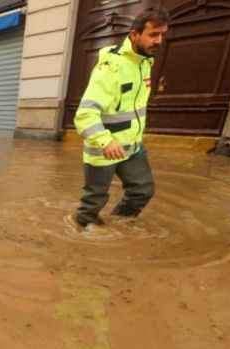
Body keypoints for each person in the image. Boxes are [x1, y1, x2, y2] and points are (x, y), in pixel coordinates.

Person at [73, 7, 169, 229]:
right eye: (153, 34)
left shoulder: (145, 61)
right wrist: (106, 141)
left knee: (142, 191)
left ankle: (119, 226)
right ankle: (80, 237)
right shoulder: (111, 67)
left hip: (132, 147)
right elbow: (84, 114)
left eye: (163, 34)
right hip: (104, 149)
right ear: (135, 34)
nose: (159, 40)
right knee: (92, 204)